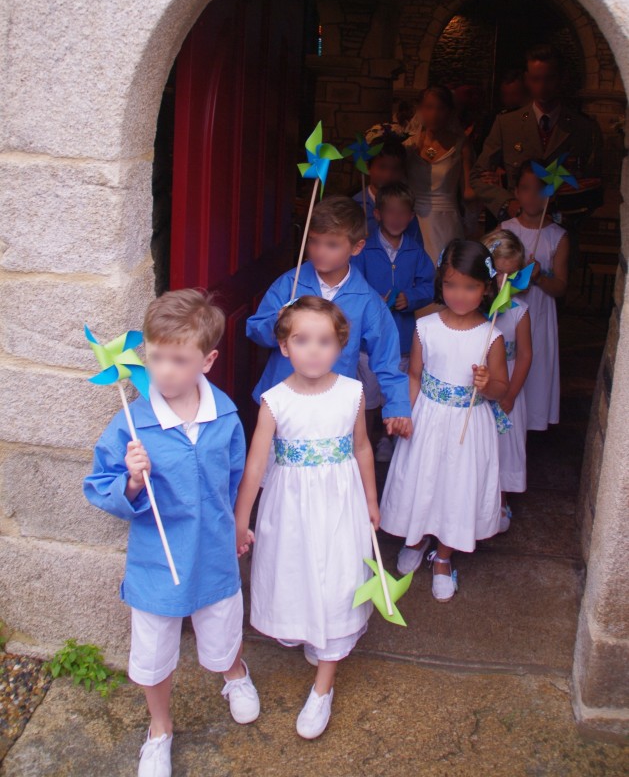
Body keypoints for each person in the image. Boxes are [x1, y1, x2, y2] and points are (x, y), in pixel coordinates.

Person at [84, 290, 260, 777]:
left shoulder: (224, 416)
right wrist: (133, 479)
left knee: (222, 625)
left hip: (213, 552)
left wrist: (237, 525)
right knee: (155, 648)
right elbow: (99, 485)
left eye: (178, 360)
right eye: (155, 357)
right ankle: (159, 728)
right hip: (157, 560)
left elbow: (234, 475)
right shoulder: (132, 422)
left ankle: (234, 673)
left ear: (208, 360)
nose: (163, 371)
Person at [235, 297, 379, 740]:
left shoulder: (351, 393)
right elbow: (256, 465)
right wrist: (240, 520)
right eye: (301, 340)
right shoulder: (274, 402)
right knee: (297, 570)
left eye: (324, 341)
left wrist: (372, 501)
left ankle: (323, 687)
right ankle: (310, 629)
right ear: (284, 347)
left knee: (337, 578)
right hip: (292, 506)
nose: (313, 350)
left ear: (340, 346)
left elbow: (362, 449)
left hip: (340, 504)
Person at [379, 240, 509, 602]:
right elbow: (416, 375)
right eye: (451, 285)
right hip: (429, 416)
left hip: (468, 423)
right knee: (425, 478)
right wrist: (403, 411)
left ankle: (444, 556)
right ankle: (417, 536)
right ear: (441, 283)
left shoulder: (491, 335)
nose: (460, 295)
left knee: (457, 485)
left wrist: (487, 384)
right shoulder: (426, 325)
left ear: (485, 288)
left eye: (470, 287)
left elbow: (502, 387)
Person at [246, 196, 411, 438]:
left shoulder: (366, 299)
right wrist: (276, 322)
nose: (319, 252)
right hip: (283, 398)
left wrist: (397, 407)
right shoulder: (290, 283)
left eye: (332, 245)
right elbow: (255, 331)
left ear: (357, 247)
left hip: (332, 404)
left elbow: (387, 358)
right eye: (314, 242)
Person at [470, 44, 603, 222]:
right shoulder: (508, 124)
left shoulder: (583, 128)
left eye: (549, 79)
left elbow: (595, 184)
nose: (542, 86)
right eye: (535, 79)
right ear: (526, 79)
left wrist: (566, 215)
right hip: (518, 228)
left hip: (563, 230)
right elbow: (478, 176)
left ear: (562, 78)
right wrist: (508, 204)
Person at [353, 182, 435, 461]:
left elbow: (430, 286)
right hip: (368, 341)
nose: (397, 218)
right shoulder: (363, 250)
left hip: (401, 338)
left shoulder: (416, 252)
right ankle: (366, 438)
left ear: (411, 217)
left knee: (394, 391)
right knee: (368, 396)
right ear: (377, 214)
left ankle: (388, 442)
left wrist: (409, 298)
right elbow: (353, 284)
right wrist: (373, 299)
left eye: (403, 213)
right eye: (390, 212)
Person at [502, 162, 568, 431]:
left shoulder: (557, 236)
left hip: (539, 311)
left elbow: (561, 286)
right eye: (526, 189)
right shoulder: (506, 229)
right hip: (510, 308)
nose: (533, 196)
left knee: (534, 360)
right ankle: (505, 410)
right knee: (509, 358)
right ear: (516, 192)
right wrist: (519, 281)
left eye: (540, 190)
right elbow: (494, 275)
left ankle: (530, 423)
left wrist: (539, 277)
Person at [482, 228, 533, 531]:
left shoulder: (519, 312)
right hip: (480, 383)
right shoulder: (474, 309)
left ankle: (500, 499)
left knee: (504, 443)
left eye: (511, 276)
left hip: (509, 384)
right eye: (498, 274)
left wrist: (511, 393)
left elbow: (525, 354)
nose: (503, 283)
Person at [406, 85, 477, 263]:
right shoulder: (409, 145)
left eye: (440, 108)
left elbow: (468, 190)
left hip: (446, 221)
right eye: (429, 107)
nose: (434, 114)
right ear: (421, 109)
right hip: (412, 218)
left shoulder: (461, 145)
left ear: (449, 111)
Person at [352, 135, 422, 244]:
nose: (388, 175)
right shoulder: (355, 206)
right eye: (382, 167)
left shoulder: (405, 206)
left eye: (395, 169)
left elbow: (416, 247)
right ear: (368, 167)